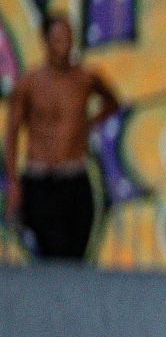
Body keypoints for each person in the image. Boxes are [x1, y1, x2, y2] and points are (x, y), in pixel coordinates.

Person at [3, 14, 120, 260]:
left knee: (76, 253)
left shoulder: (85, 78)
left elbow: (112, 101)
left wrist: (88, 123)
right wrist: (14, 184)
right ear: (45, 41)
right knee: (52, 251)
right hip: (40, 179)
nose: (64, 45)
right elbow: (12, 134)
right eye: (58, 39)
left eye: (68, 38)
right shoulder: (30, 83)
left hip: (75, 177)